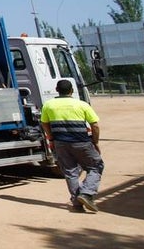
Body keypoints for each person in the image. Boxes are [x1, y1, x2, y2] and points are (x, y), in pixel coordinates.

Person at [40, 79, 103, 213]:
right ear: (72, 91)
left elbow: (44, 123)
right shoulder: (81, 104)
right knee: (96, 166)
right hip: (81, 142)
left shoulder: (48, 105)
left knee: (70, 172)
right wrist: (95, 142)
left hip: (60, 143)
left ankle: (76, 203)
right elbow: (95, 125)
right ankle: (86, 194)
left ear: (57, 90)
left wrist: (51, 138)